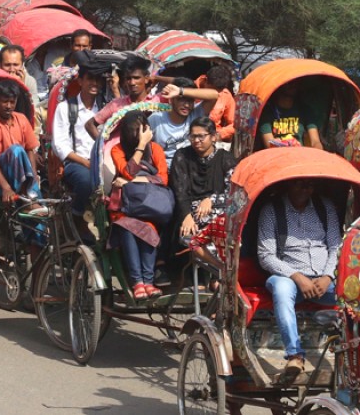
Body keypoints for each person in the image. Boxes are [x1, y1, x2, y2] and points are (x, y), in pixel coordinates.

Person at [257, 178, 341, 380]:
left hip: (324, 279)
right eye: (299, 184)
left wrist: (328, 276)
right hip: (289, 277)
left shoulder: (325, 207)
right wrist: (298, 277)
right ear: (288, 185)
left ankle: (351, 352)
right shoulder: (272, 210)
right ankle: (295, 354)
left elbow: (336, 246)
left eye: (310, 184)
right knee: (282, 290)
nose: (305, 189)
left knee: (358, 296)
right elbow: (265, 255)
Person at [110, 111, 169, 300]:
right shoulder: (117, 150)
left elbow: (163, 179)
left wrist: (134, 181)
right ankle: (138, 282)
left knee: (149, 228)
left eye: (140, 131)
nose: (136, 135)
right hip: (125, 208)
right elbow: (128, 172)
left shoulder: (156, 150)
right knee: (126, 227)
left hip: (149, 206)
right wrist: (141, 146)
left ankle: (149, 282)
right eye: (132, 131)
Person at [51, 62, 101, 239]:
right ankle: (77, 216)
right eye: (90, 79)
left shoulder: (105, 107)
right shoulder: (66, 108)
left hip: (103, 161)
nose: (94, 83)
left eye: (98, 79)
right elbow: (60, 145)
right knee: (86, 181)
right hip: (76, 162)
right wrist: (85, 162)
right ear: (80, 81)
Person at [169, 117, 236, 242]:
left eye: (201, 136)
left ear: (213, 137)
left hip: (218, 209)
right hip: (190, 210)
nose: (196, 140)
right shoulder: (182, 156)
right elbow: (179, 191)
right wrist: (186, 216)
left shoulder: (225, 159)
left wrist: (211, 200)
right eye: (193, 136)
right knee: (188, 236)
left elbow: (233, 192)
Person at [0, 80, 40, 205]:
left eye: (12, 102)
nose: (8, 106)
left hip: (22, 176)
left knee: (21, 151)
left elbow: (30, 149)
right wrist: (6, 188)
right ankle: (27, 199)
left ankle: (31, 197)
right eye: (5, 101)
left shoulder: (21, 119)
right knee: (16, 150)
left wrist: (33, 178)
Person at [85, 55, 158, 139]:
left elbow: (177, 85)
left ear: (146, 79)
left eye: (136, 78)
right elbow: (89, 124)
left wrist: (158, 78)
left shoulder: (157, 101)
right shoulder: (116, 104)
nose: (132, 82)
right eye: (128, 78)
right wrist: (102, 146)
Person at [147, 77, 204, 168]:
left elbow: (215, 95)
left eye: (190, 100)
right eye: (181, 99)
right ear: (171, 99)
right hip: (163, 170)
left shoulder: (195, 113)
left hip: (190, 169)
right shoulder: (155, 119)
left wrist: (181, 91)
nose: (186, 105)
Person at [259, 81, 323, 149]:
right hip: (277, 155)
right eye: (288, 82)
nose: (292, 85)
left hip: (299, 155)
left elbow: (315, 141)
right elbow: (269, 144)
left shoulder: (305, 110)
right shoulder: (267, 112)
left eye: (295, 82)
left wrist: (319, 153)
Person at [198, 64, 236, 142]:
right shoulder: (188, 89)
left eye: (218, 93)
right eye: (212, 91)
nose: (215, 96)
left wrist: (219, 134)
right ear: (205, 81)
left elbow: (234, 124)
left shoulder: (226, 95)